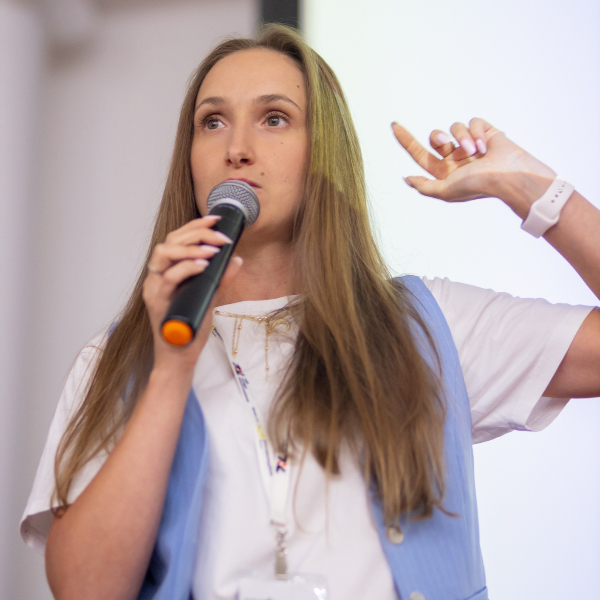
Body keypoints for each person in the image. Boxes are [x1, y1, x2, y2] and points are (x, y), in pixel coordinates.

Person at [20, 24, 600, 600]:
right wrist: (170, 371)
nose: (236, 148)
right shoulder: (119, 358)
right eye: (212, 121)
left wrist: (531, 189)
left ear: (324, 153)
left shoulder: (427, 326)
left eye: (274, 118)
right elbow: (84, 590)